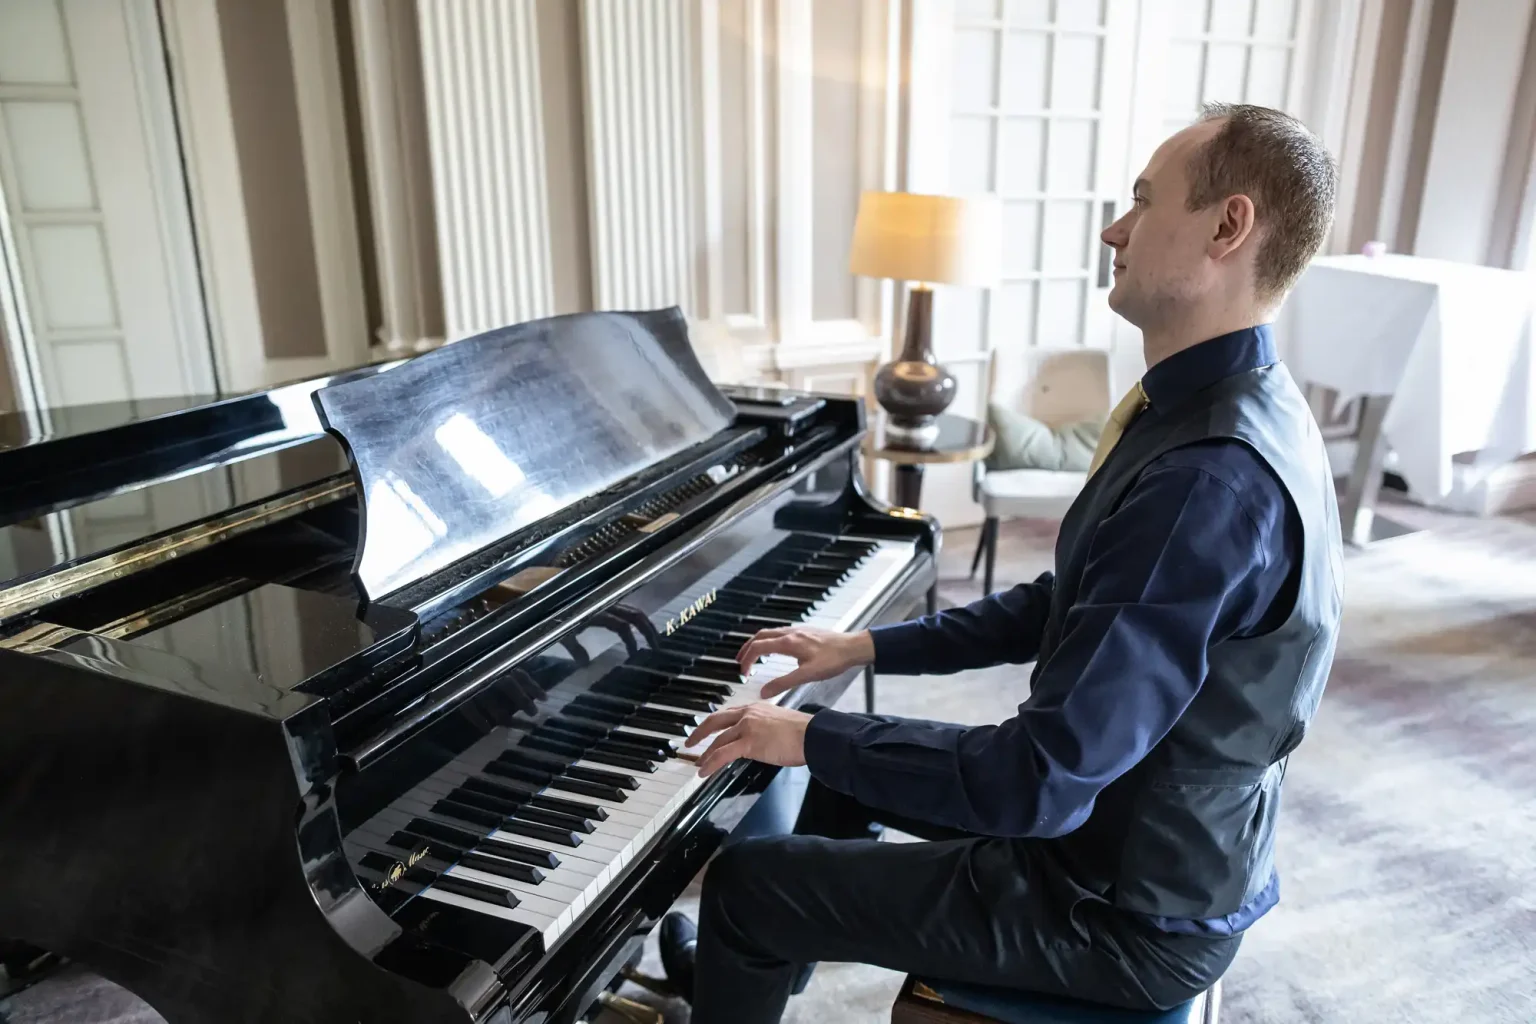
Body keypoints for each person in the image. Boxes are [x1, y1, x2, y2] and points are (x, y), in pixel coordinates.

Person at [658, 102, 1344, 1023]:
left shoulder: (1207, 482)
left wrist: (807, 733)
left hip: (1118, 910)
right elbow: (1068, 603)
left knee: (747, 876)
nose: (1114, 228)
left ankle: (750, 939)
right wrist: (862, 651)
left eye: (1143, 202)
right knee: (837, 780)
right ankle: (763, 961)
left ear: (1229, 227)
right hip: (1134, 841)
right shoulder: (1235, 402)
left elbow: (1040, 782)